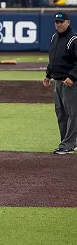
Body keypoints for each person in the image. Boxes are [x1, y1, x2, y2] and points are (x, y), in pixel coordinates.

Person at [44, 12, 77, 155]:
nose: (58, 24)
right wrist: (48, 75)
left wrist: (73, 77)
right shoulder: (54, 37)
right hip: (57, 81)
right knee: (61, 114)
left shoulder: (74, 39)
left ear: (68, 22)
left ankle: (68, 144)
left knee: (72, 113)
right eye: (56, 22)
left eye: (61, 22)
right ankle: (67, 142)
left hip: (69, 82)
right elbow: (53, 58)